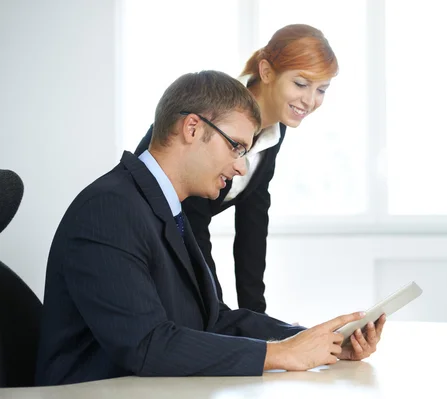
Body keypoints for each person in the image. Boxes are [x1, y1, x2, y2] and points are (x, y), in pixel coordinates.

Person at [35, 71, 385, 386]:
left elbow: (212, 319)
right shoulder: (110, 209)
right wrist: (278, 355)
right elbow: (146, 345)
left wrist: (319, 342)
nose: (241, 168)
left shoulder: (168, 209)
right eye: (235, 147)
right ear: (192, 128)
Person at [134, 24, 337, 313]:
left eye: (322, 89)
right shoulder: (218, 111)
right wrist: (216, 310)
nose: (310, 100)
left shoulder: (275, 127)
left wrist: (256, 318)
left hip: (181, 235)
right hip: (148, 235)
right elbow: (193, 217)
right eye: (301, 84)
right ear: (266, 72)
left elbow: (253, 220)